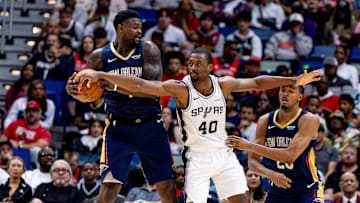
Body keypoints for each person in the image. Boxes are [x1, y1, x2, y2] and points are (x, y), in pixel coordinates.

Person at [73, 47, 321, 202]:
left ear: (210, 67)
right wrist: (101, 75)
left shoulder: (223, 84)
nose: (191, 67)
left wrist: (293, 79)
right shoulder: (181, 89)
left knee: (242, 200)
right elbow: (141, 86)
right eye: (189, 63)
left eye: (197, 64)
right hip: (198, 159)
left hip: (223, 154)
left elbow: (257, 82)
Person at [66, 10, 178, 203]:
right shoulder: (98, 57)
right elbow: (87, 89)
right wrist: (74, 89)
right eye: (134, 27)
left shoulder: (149, 50)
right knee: (110, 184)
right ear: (120, 28)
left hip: (150, 125)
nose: (139, 31)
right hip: (118, 128)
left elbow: (153, 89)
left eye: (140, 28)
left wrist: (115, 85)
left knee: (166, 185)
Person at [226, 84, 324, 202]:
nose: (285, 94)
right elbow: (252, 162)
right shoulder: (265, 120)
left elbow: (290, 156)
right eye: (283, 90)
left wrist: (250, 146)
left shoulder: (309, 120)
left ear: (300, 97)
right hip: (277, 191)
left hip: (306, 189)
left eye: (291, 91)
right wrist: (270, 174)